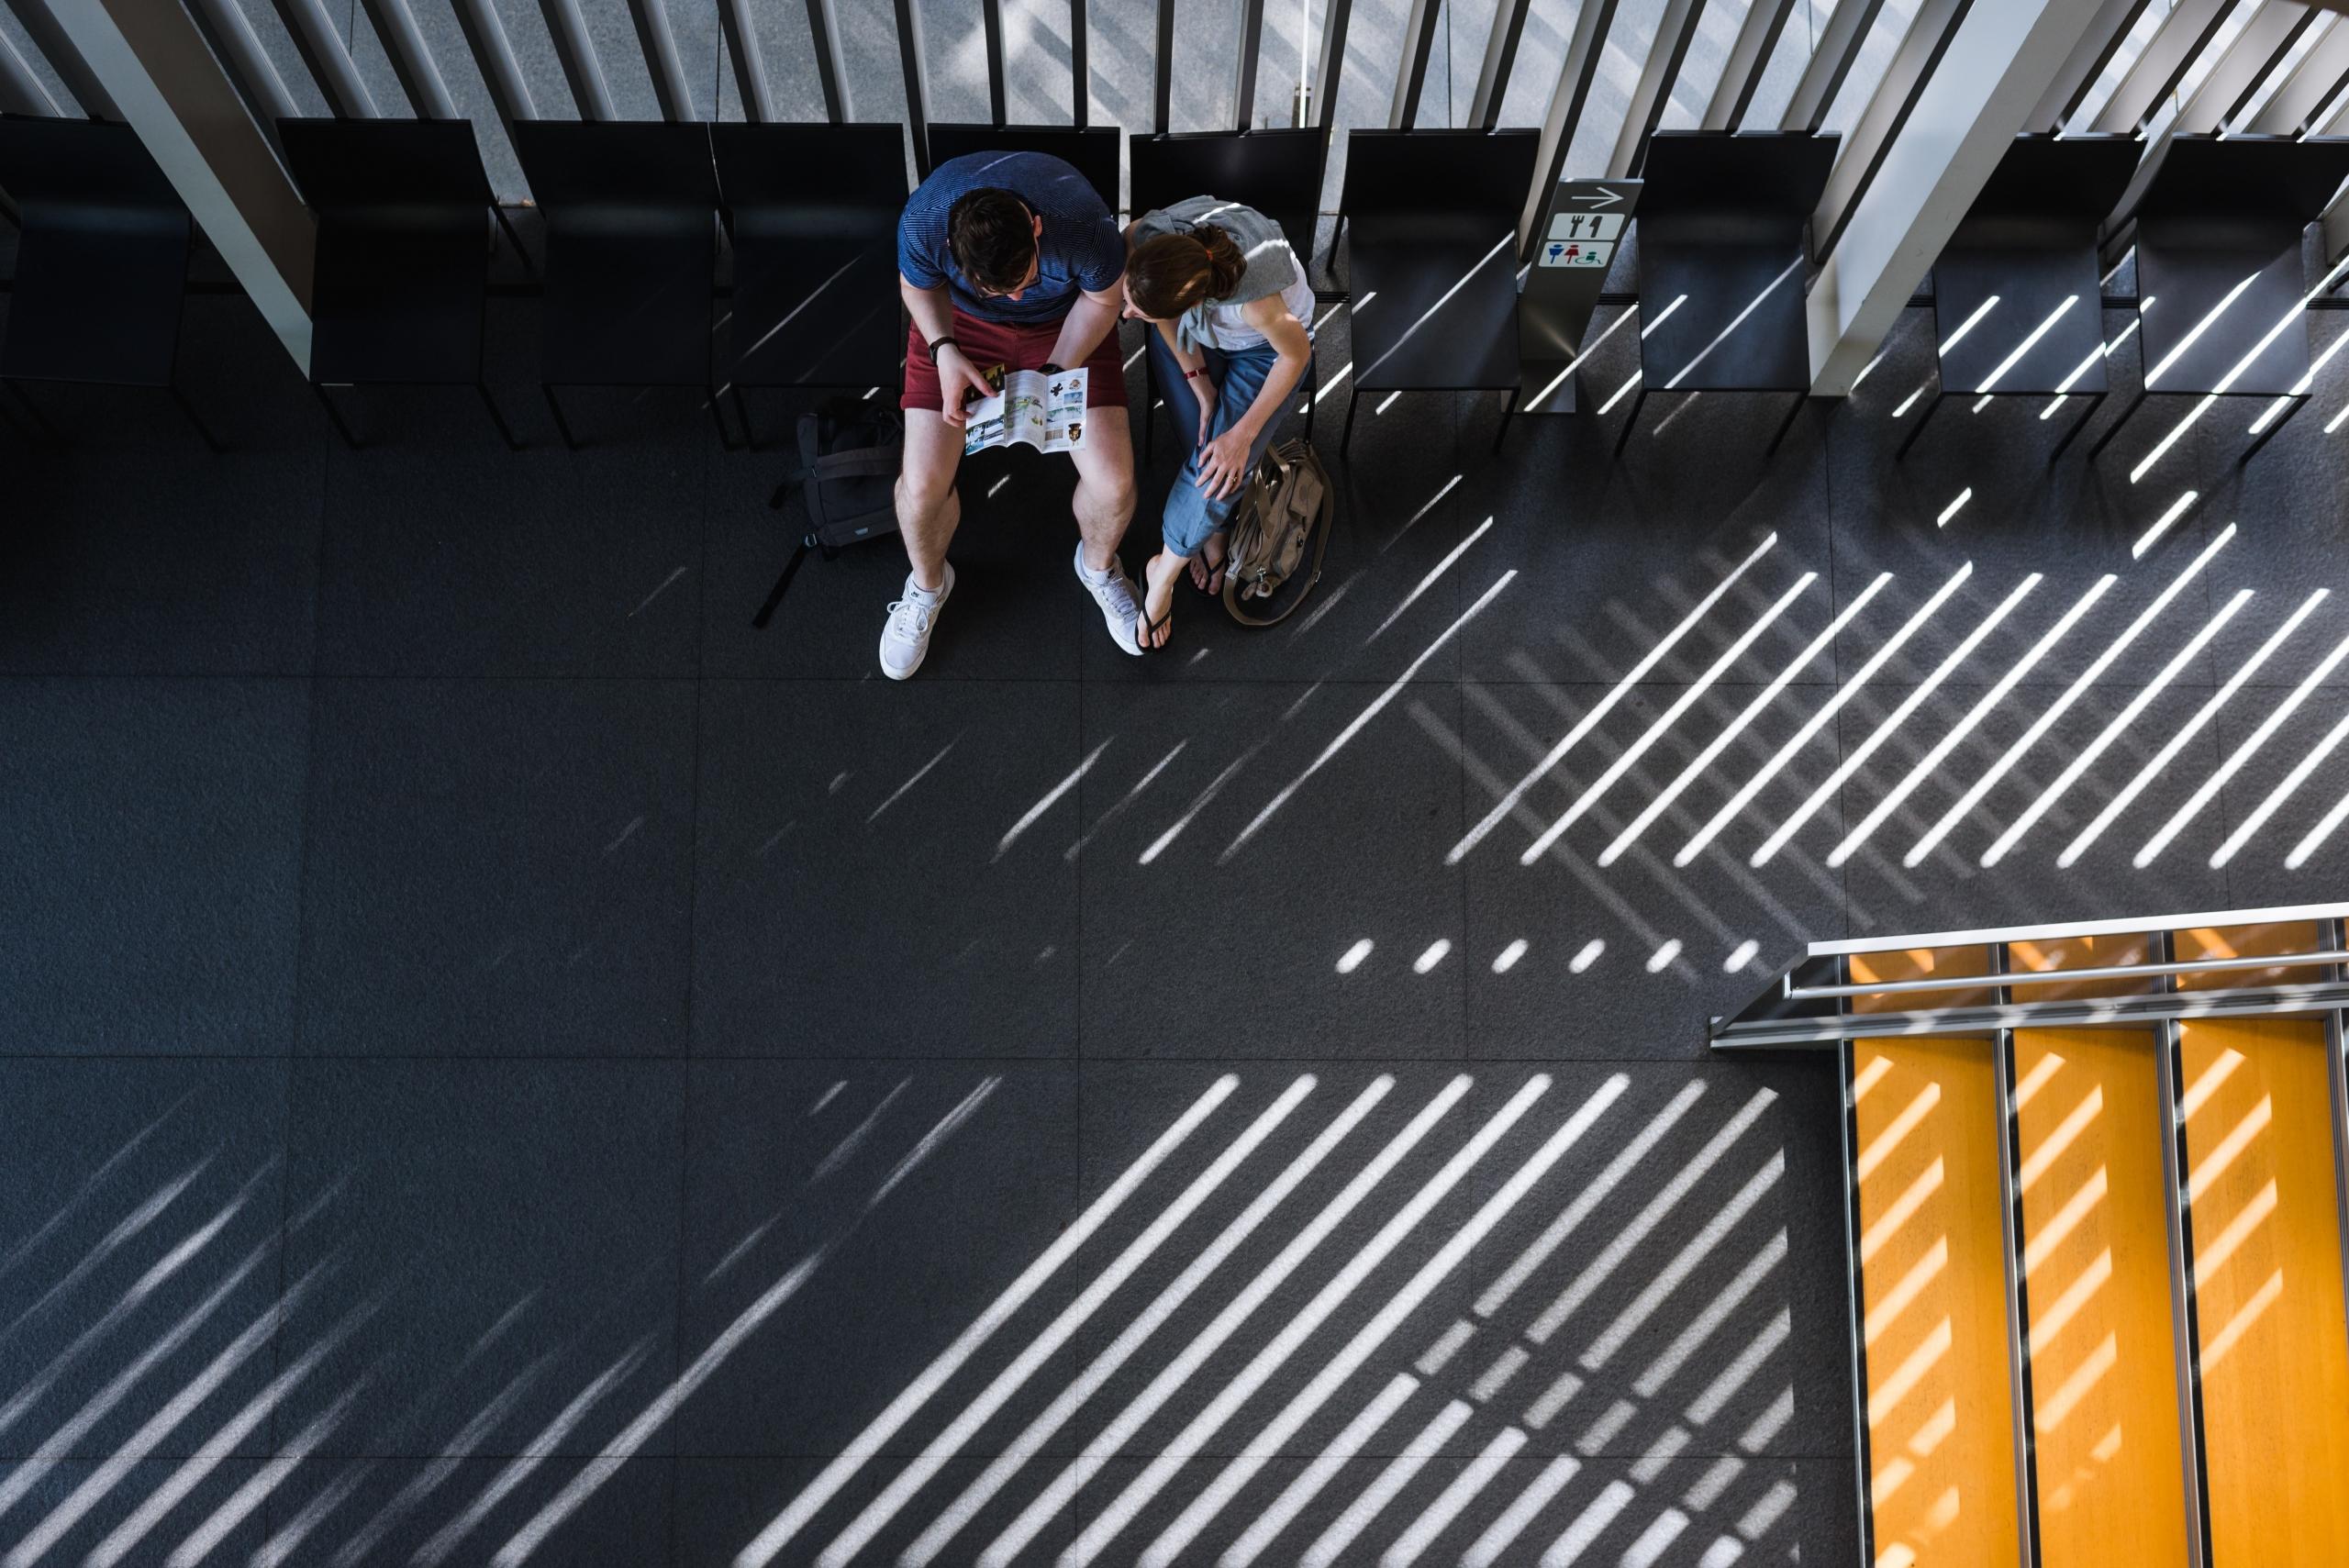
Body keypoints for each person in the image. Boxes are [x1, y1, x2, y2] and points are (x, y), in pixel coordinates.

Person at [885, 150, 1143, 679]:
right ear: (960, 260)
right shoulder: (921, 222)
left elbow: (1101, 301)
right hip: (963, 328)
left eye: (1025, 277)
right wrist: (943, 349)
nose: (1019, 295)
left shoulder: (1086, 227)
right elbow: (917, 285)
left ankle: (1098, 569)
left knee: (1115, 484)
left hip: (1065, 323)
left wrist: (1059, 368)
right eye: (1003, 288)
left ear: (1037, 227)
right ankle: (927, 585)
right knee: (920, 486)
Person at [1122, 196, 1315, 650]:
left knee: (1220, 463)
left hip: (1268, 349)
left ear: (1193, 302)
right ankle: (1212, 527)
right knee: (1205, 436)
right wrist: (1200, 383)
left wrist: (1243, 436)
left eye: (1134, 310)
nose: (1125, 313)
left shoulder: (1255, 303)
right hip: (1204, 331)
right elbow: (1163, 317)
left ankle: (1161, 575)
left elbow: (1296, 353)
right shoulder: (1148, 239)